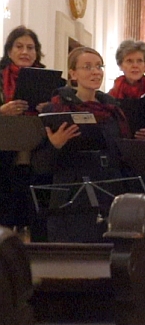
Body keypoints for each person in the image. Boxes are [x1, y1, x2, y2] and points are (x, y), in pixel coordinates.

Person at [31, 47, 131, 242]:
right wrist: (55, 145)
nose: (95, 71)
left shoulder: (113, 111)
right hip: (72, 203)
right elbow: (40, 165)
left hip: (109, 196)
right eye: (87, 67)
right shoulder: (56, 110)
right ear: (73, 73)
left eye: (98, 66)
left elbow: (122, 156)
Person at [0, 26, 46, 231]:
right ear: (9, 51)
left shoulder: (49, 80)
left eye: (30, 47)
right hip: (3, 154)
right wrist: (2, 110)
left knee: (32, 213)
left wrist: (49, 108)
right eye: (19, 46)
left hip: (35, 153)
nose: (25, 52)